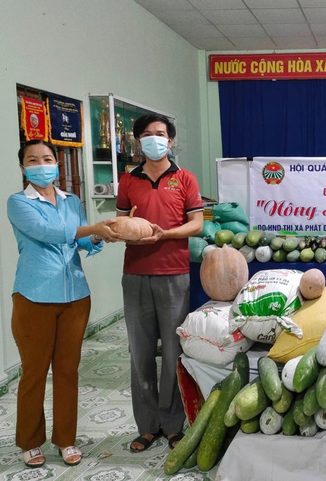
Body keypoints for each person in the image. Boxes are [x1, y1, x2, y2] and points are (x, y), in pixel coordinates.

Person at [7, 140, 120, 468]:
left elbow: (81, 239)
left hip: (75, 299)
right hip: (34, 297)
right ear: (23, 167)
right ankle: (29, 441)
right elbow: (49, 231)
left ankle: (66, 439)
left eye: (47, 158)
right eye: (32, 159)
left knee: (68, 371)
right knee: (34, 372)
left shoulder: (72, 201)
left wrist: (101, 235)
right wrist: (93, 227)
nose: (41, 164)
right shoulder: (18, 202)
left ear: (56, 162)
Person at [116, 113, 203, 452]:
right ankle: (147, 426)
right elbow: (121, 222)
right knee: (139, 353)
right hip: (135, 275)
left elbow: (196, 223)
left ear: (170, 141)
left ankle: (172, 424)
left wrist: (166, 234)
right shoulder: (127, 181)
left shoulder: (185, 179)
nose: (155, 139)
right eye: (148, 134)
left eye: (161, 134)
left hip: (174, 275)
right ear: (139, 141)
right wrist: (119, 231)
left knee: (173, 352)